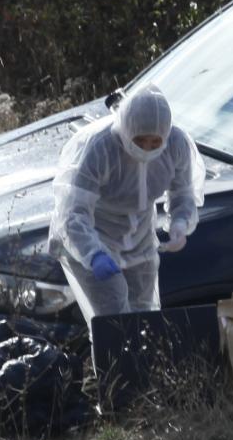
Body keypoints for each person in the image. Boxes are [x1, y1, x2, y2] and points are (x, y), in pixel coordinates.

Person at [48, 84, 203, 330]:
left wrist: (180, 223)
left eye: (155, 142)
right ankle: (114, 369)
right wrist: (93, 254)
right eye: (140, 140)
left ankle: (144, 368)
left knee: (145, 320)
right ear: (126, 129)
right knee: (114, 325)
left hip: (140, 240)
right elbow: (72, 213)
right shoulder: (99, 148)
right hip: (94, 237)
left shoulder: (175, 145)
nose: (147, 149)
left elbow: (183, 191)